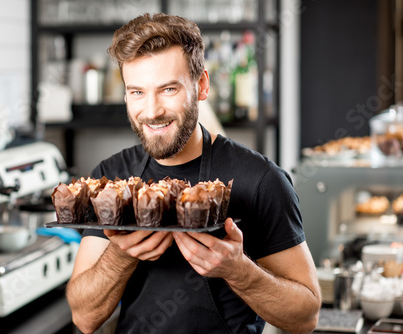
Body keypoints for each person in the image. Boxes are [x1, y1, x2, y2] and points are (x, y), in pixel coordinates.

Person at [66, 13, 321, 334]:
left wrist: (240, 271)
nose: (152, 110)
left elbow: (305, 317)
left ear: (201, 85)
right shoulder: (111, 180)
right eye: (137, 92)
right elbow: (84, 318)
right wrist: (120, 255)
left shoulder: (261, 180)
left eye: (168, 89)